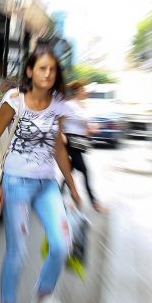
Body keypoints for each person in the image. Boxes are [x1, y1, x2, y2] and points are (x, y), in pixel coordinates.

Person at [0, 45, 83, 303]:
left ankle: (43, 296)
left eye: (52, 69)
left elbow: (58, 148)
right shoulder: (14, 101)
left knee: (62, 243)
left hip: (46, 186)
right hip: (15, 184)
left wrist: (74, 187)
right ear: (30, 71)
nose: (48, 74)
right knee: (18, 252)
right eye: (42, 68)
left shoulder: (59, 105)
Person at [62, 80, 107, 214]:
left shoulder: (83, 106)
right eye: (83, 90)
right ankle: (94, 202)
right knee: (85, 171)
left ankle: (58, 195)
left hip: (81, 141)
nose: (86, 93)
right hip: (71, 140)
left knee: (70, 170)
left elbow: (88, 122)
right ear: (77, 92)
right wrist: (61, 133)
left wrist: (92, 127)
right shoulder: (68, 105)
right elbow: (60, 120)